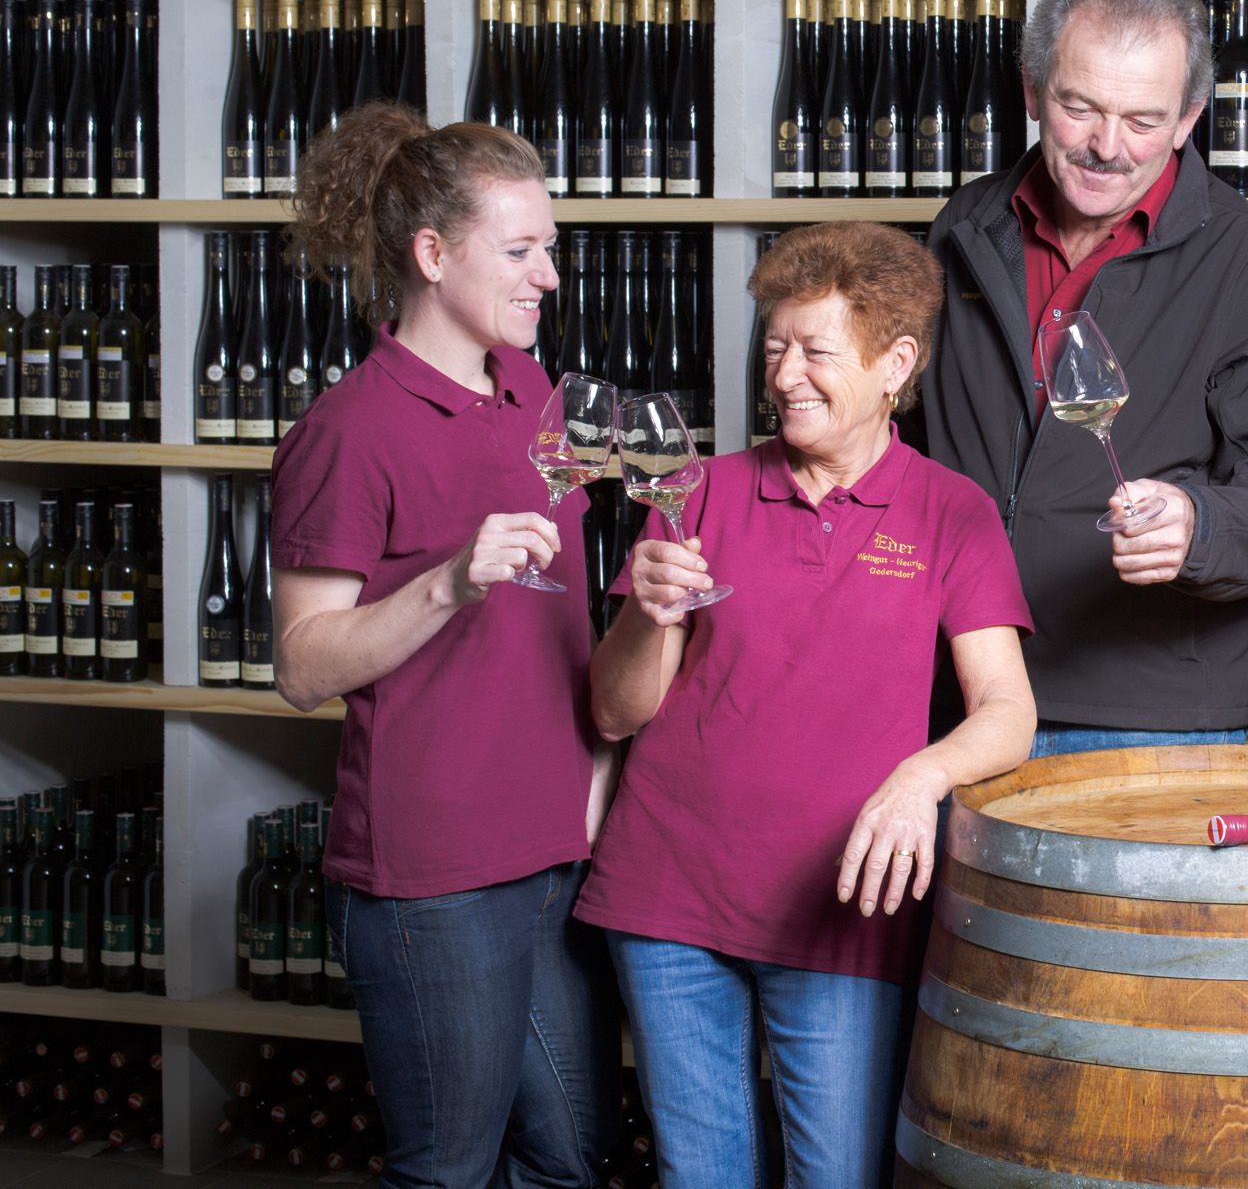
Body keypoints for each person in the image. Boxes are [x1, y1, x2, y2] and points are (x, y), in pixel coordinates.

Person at [574, 222, 1036, 1187]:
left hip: (843, 906)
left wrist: (920, 778)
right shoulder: (699, 491)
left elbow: (1007, 711)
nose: (786, 375)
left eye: (817, 351)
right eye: (776, 346)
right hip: (670, 895)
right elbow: (616, 713)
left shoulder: (953, 511)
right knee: (701, 1176)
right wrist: (647, 614)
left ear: (894, 362)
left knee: (837, 1174)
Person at [272, 104, 617, 1189]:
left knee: (566, 1155)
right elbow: (301, 666)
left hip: (551, 847)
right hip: (432, 876)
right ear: (431, 254)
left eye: (548, 250)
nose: (546, 278)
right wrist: (445, 583)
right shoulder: (350, 430)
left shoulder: (533, 393)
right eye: (519, 252)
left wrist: (598, 773)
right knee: (448, 1170)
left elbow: (560, 623)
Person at [925, 0, 1248, 756]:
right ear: (1032, 91)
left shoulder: (1246, 259)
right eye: (1078, 107)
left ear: (1189, 119)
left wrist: (1204, 523)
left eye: (1143, 120)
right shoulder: (963, 227)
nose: (1106, 147)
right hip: (963, 691)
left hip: (1145, 719)